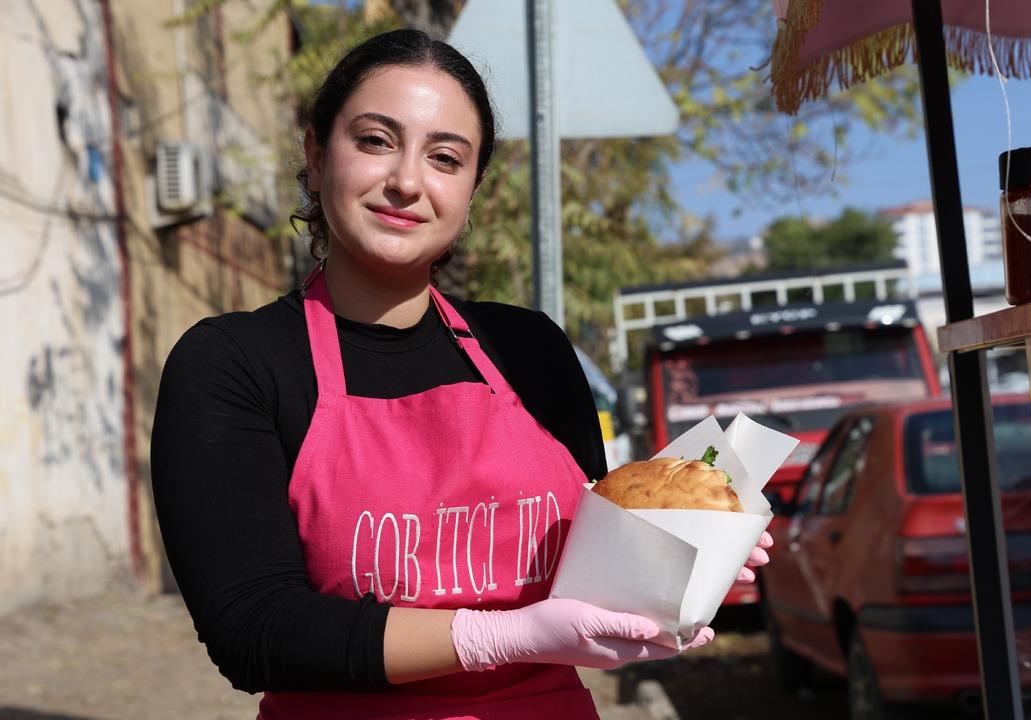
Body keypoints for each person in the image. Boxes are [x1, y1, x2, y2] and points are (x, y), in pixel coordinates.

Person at [151, 28, 770, 720]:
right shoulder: (233, 364)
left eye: (445, 157)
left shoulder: (530, 349)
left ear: (473, 187)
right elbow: (252, 631)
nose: (407, 181)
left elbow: (595, 575)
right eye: (376, 140)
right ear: (317, 155)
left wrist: (687, 556)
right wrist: (498, 635)